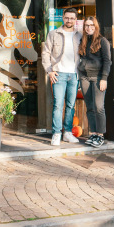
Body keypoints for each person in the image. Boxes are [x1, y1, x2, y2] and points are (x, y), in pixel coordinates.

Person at [42, 8, 82, 146]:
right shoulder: (54, 34)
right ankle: (57, 133)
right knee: (58, 104)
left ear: (75, 19)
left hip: (74, 74)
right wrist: (49, 71)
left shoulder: (79, 35)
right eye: (67, 17)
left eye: (72, 18)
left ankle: (68, 133)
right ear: (63, 18)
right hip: (59, 74)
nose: (69, 20)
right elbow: (46, 53)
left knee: (71, 105)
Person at [78, 16, 111, 148]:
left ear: (96, 26)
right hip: (84, 77)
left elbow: (107, 61)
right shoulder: (83, 40)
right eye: (86, 25)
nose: (89, 27)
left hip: (98, 77)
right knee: (90, 107)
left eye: (91, 25)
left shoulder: (103, 41)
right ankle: (93, 133)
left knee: (99, 107)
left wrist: (104, 78)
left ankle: (100, 135)